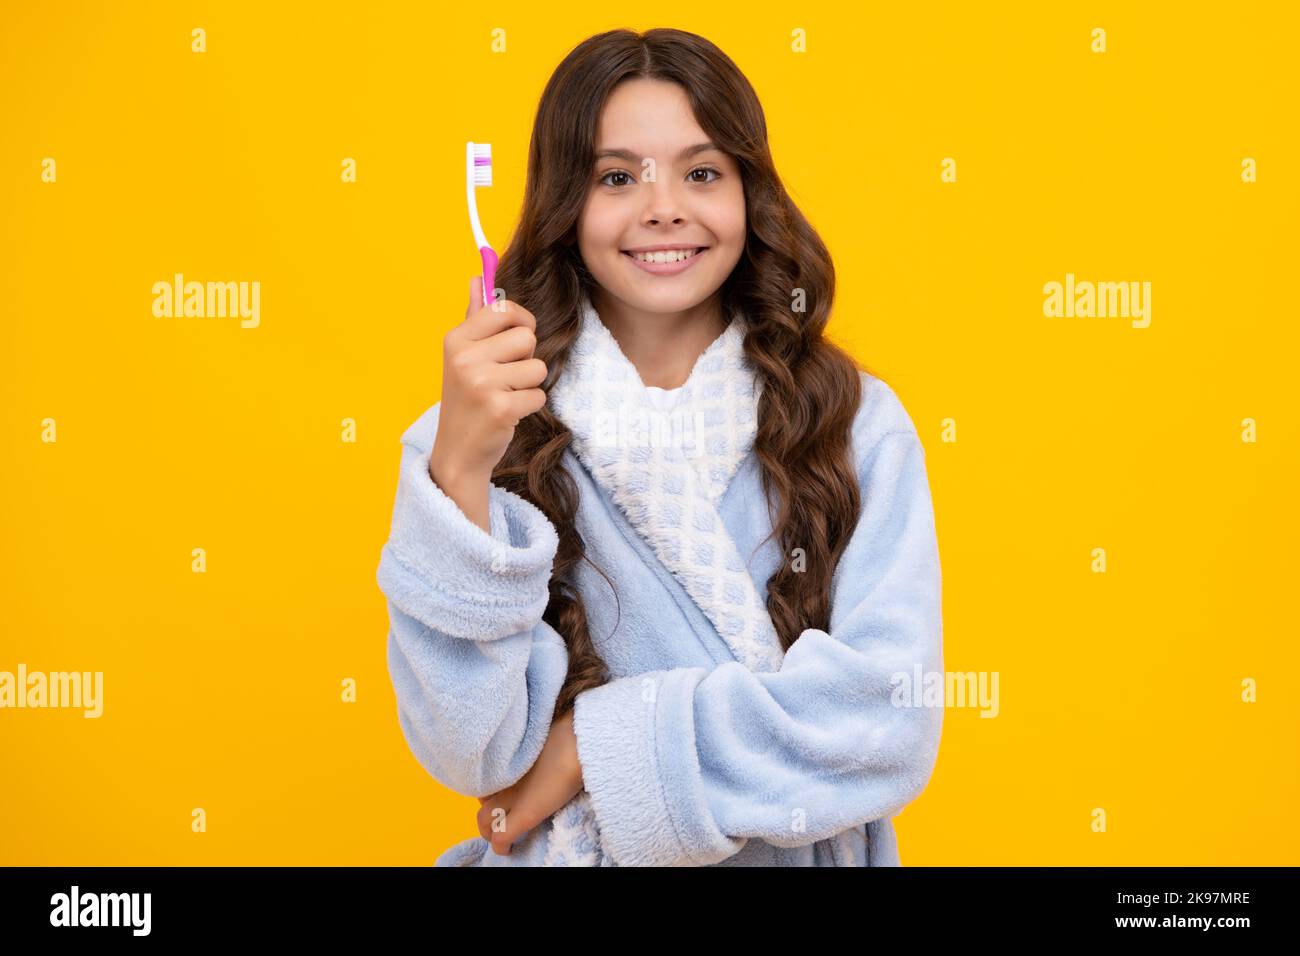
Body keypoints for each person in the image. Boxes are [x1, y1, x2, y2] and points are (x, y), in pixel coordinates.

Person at [376, 27, 943, 867]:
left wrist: (585, 749)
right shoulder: (483, 432)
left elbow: (887, 724)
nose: (663, 207)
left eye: (702, 171)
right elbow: (473, 752)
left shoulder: (853, 421)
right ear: (564, 206)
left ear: (751, 192)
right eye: (616, 177)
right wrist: (459, 469)